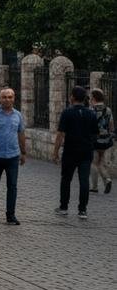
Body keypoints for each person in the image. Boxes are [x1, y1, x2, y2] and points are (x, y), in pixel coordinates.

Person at [52, 85, 99, 219]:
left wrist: (55, 152)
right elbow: (95, 133)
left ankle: (63, 207)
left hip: (70, 151)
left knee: (66, 179)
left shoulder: (67, 112)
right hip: (86, 151)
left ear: (72, 97)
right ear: (84, 98)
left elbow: (60, 134)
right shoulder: (91, 113)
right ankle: (82, 210)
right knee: (84, 180)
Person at [0, 87, 26, 225]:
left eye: (10, 97)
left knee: (12, 186)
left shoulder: (18, 115)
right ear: (0, 99)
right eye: (4, 97)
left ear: (14, 98)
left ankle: (10, 215)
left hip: (13, 156)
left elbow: (21, 134)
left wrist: (23, 152)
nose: (7, 99)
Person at [90, 88, 114, 194]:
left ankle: (94, 187)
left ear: (94, 98)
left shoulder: (91, 110)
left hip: (95, 139)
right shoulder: (108, 110)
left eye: (91, 97)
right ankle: (107, 179)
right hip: (105, 139)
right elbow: (111, 125)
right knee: (101, 162)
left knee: (94, 162)